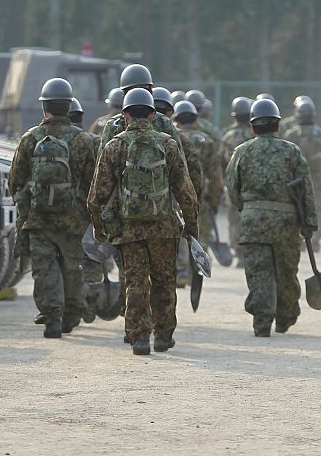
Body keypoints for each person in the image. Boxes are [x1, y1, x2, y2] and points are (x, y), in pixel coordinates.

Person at [88, 88, 198, 355]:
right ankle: (163, 336)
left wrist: (100, 228)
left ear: (124, 115)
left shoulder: (115, 145)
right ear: (152, 114)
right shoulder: (168, 144)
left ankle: (139, 338)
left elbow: (96, 195)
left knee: (135, 281)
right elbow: (186, 192)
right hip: (164, 227)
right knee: (164, 280)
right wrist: (191, 227)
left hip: (128, 228)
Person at [9, 78, 95, 337]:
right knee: (72, 266)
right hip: (74, 219)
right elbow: (94, 182)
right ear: (68, 107)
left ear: (44, 107)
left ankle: (52, 318)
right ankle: (72, 313)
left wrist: (26, 206)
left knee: (44, 267)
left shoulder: (31, 138)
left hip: (38, 218)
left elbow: (15, 180)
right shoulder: (83, 140)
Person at [225, 98, 317, 337]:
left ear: (253, 127)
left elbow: (232, 189)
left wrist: (247, 209)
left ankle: (262, 320)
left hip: (253, 222)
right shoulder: (292, 151)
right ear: (278, 125)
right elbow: (306, 190)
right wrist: (309, 222)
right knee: (286, 271)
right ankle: (285, 316)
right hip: (286, 224)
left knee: (258, 272)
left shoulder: (241, 152)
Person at [173, 100, 223, 253]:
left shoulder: (170, 139)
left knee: (178, 243)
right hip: (200, 198)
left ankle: (182, 274)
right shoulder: (206, 141)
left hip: (174, 200)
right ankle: (196, 275)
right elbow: (216, 179)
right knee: (200, 244)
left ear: (176, 120)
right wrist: (213, 204)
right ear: (196, 119)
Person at [282, 97, 321, 251]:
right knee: (320, 209)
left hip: (296, 179)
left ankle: (299, 239)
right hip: (318, 178)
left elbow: (284, 157)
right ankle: (315, 240)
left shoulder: (291, 135)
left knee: (297, 207)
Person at [68, 97, 104, 284]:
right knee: (91, 260)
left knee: (64, 262)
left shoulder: (41, 141)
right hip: (89, 215)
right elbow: (105, 180)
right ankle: (90, 300)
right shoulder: (93, 142)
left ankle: (69, 303)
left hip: (55, 214)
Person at [220, 96, 254, 266]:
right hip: (251, 183)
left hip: (232, 183)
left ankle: (238, 251)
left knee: (234, 218)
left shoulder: (227, 136)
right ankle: (249, 250)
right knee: (250, 216)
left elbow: (220, 162)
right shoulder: (254, 135)